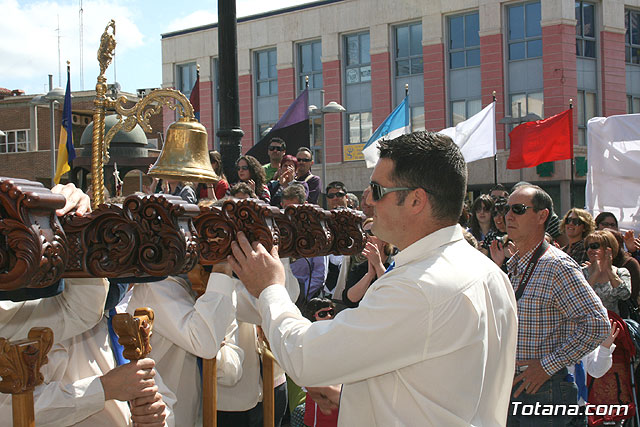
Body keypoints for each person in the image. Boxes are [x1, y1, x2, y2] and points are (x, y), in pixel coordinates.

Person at [227, 131, 518, 426]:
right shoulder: (488, 273)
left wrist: (270, 288)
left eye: (377, 190)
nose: (367, 200)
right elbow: (435, 388)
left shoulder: (417, 286)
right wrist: (354, 396)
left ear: (417, 200)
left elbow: (304, 358)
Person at [500, 184, 609, 426]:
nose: (508, 216)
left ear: (542, 216)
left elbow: (598, 325)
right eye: (505, 208)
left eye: (518, 209)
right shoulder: (516, 264)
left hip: (545, 390)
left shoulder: (557, 266)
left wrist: (547, 366)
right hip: (516, 387)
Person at [282, 184, 326, 305]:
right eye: (286, 208)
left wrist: (302, 294)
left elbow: (319, 272)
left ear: (304, 205)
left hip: (304, 295)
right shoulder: (277, 231)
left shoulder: (315, 232)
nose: (289, 213)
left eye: (294, 208)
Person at [342, 218, 395, 308]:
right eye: (364, 233)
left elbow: (392, 295)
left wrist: (378, 265)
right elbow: (350, 300)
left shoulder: (396, 264)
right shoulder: (359, 268)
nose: (367, 237)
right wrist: (370, 275)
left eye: (371, 232)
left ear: (385, 239)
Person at [582, 230, 631, 315]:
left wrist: (609, 271)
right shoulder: (580, 272)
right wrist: (595, 274)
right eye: (587, 247)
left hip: (613, 324)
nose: (590, 250)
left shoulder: (621, 272)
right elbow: (579, 297)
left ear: (608, 249)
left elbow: (625, 295)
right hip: (587, 324)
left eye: (594, 246)